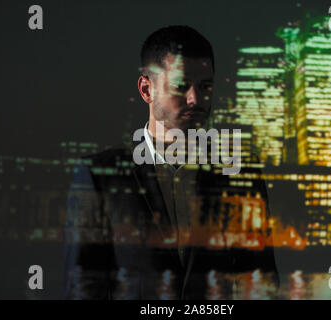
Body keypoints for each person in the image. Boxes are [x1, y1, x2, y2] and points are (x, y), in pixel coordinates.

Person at [63, 25, 279, 300]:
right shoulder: (99, 176)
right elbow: (82, 289)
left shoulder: (238, 171)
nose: (195, 99)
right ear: (146, 89)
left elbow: (263, 284)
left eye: (205, 86)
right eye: (181, 86)